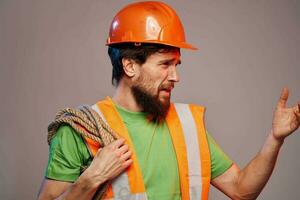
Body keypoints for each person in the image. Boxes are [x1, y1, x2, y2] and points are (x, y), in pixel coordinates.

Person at [37, 1, 300, 200]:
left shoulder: (187, 126)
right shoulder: (81, 130)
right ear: (130, 65)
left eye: (177, 64)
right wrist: (91, 178)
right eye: (165, 64)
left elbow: (242, 190)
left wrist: (275, 139)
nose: (176, 77)